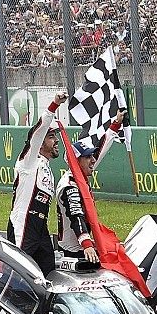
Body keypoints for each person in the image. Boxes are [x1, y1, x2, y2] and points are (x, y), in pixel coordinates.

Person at [7, 91, 67, 275]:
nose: (56, 140)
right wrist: (54, 105)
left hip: (41, 227)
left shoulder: (46, 167)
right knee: (18, 273)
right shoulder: (29, 161)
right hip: (24, 223)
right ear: (40, 143)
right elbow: (37, 132)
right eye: (51, 137)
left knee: (47, 271)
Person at [56, 110, 125, 262]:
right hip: (73, 252)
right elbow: (76, 215)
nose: (93, 160)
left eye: (92, 155)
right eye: (88, 157)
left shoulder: (79, 176)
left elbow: (100, 152)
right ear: (76, 161)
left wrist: (115, 125)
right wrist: (87, 244)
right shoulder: (69, 185)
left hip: (83, 248)